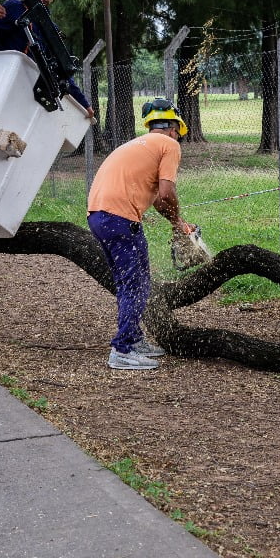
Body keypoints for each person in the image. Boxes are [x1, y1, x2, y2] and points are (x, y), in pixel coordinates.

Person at [87, 98, 193, 370]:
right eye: (176, 132)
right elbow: (167, 192)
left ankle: (133, 339)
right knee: (134, 284)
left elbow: (157, 199)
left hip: (101, 216)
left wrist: (176, 221)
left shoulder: (137, 144)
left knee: (136, 281)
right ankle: (122, 350)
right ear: (174, 128)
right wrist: (175, 223)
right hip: (118, 219)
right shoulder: (170, 145)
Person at [0, 0, 95, 119]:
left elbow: (60, 69)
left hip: (29, 90)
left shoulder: (50, 28)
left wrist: (84, 103)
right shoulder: (14, 8)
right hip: (4, 79)